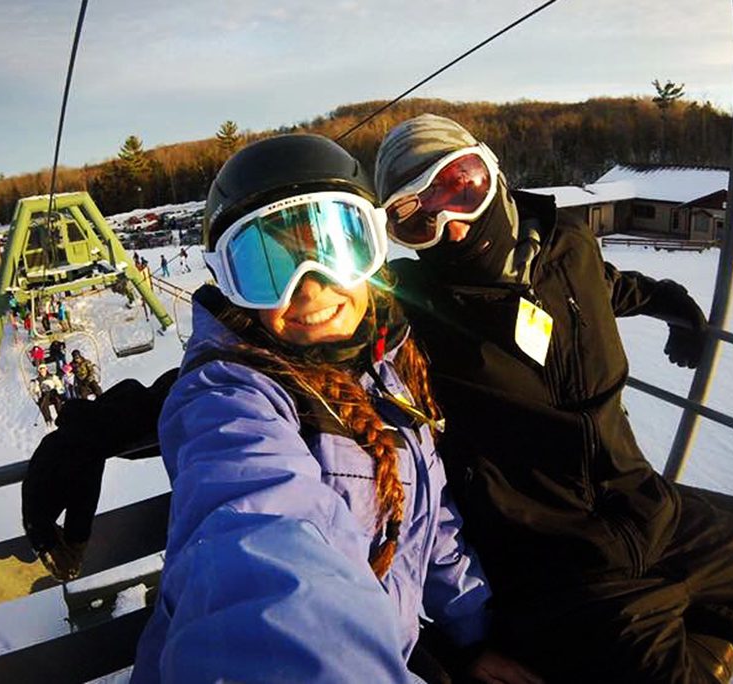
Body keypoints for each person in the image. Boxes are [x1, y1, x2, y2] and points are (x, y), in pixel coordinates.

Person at [374, 114, 733, 683]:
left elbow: (605, 285)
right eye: (415, 217)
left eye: (458, 186)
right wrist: (441, 648)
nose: (449, 224)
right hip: (566, 570)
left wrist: (671, 303)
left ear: (493, 171)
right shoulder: (410, 310)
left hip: (651, 510)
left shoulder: (566, 246)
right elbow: (309, 364)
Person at [127, 134, 529, 683]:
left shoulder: (388, 365)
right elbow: (261, 546)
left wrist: (473, 638)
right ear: (228, 284)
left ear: (373, 249)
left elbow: (431, 524)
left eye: (336, 247)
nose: (311, 290)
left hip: (403, 649)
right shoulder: (232, 399)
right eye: (268, 267)